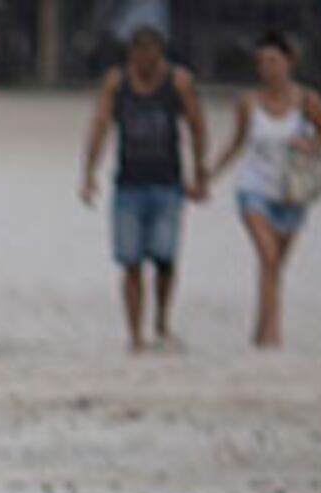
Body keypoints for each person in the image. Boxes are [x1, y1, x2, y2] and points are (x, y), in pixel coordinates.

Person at [77, 26, 212, 352]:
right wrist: (89, 173)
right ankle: (135, 333)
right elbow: (100, 125)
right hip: (128, 184)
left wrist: (200, 173)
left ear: (160, 56)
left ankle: (162, 321)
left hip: (168, 183)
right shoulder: (117, 83)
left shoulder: (178, 82)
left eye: (150, 57)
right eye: (138, 58)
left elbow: (196, 125)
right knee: (131, 261)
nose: (144, 64)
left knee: (165, 257)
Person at [215, 30, 321, 348]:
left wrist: (310, 143)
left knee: (275, 266)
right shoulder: (248, 103)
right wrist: (210, 174)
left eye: (273, 61)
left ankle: (261, 327)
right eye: (261, 62)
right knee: (268, 257)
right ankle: (273, 335)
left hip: (292, 192)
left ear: (289, 62)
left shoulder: (307, 101)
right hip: (254, 188)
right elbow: (237, 143)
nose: (267, 69)